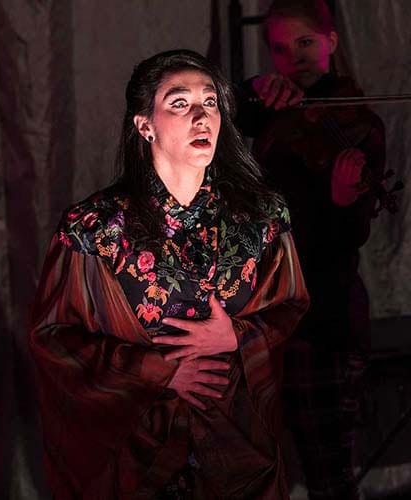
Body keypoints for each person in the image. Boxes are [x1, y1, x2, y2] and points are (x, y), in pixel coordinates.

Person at [29, 49, 309, 499]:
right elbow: (54, 337)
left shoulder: (261, 216)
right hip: (138, 456)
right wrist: (159, 371)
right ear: (145, 126)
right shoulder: (96, 227)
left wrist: (237, 336)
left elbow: (291, 305)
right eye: (180, 103)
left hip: (238, 450)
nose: (201, 116)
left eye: (210, 101)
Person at [236, 1, 386, 499]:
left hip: (324, 319)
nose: (294, 58)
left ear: (331, 42)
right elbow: (211, 112)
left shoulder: (360, 126)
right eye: (281, 49)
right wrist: (252, 89)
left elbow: (346, 240)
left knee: (329, 478)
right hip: (267, 315)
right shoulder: (270, 112)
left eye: (305, 42)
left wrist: (343, 204)